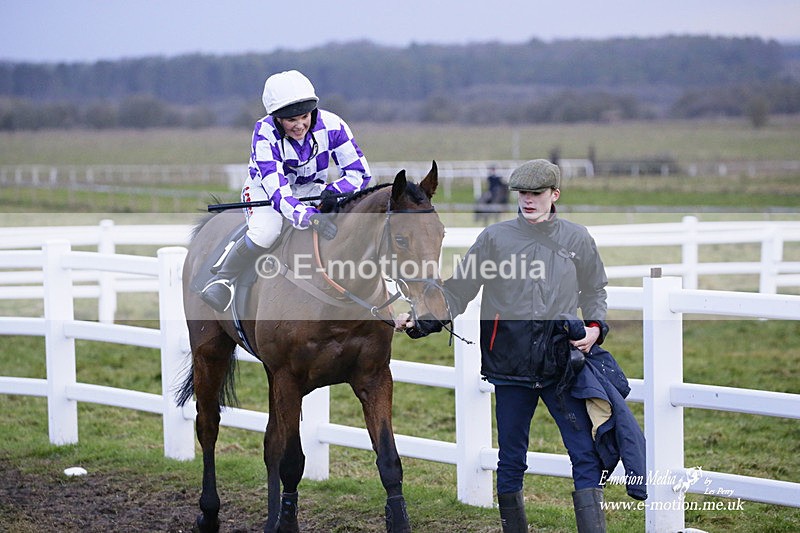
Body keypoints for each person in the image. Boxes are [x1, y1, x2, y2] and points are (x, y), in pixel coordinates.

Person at [396, 159, 613, 532]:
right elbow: (458, 291)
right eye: (523, 194)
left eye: (536, 194)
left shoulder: (577, 239)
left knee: (584, 454)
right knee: (512, 458)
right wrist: (421, 322)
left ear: (554, 195)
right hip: (510, 365)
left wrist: (595, 327)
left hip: (563, 364)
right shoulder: (495, 239)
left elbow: (595, 290)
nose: (528, 201)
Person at [200, 70, 372, 312]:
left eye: (304, 116)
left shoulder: (334, 125)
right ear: (278, 119)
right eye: (291, 120)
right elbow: (278, 193)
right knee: (266, 232)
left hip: (312, 188)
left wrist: (334, 191)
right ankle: (223, 279)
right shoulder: (264, 133)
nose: (300, 125)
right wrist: (309, 217)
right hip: (266, 192)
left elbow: (360, 174)